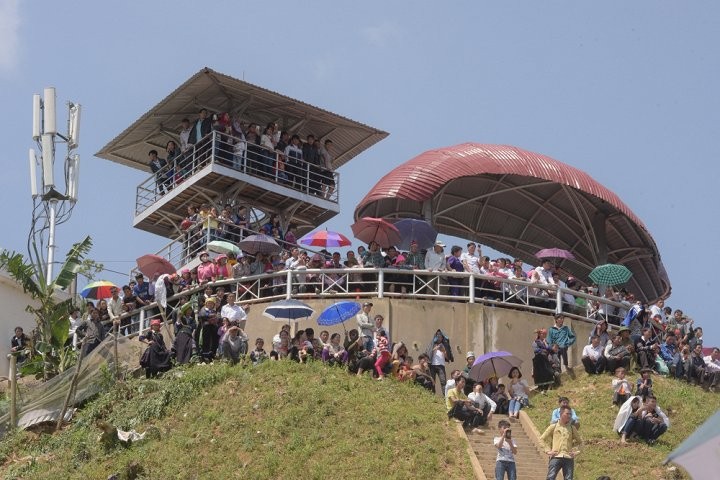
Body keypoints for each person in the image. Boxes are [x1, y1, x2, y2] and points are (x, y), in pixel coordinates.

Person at [540, 405, 582, 480]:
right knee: (550, 477)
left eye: (570, 414)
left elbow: (580, 442)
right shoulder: (554, 426)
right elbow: (542, 439)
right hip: (556, 456)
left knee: (568, 478)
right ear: (561, 414)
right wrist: (548, 451)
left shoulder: (572, 428)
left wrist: (576, 452)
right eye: (567, 414)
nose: (569, 416)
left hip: (568, 457)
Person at [428, 329, 452, 394]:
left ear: (442, 337)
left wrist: (443, 351)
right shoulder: (432, 344)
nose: (439, 338)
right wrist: (434, 349)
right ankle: (432, 396)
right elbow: (428, 354)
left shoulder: (444, 345)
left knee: (443, 381)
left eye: (441, 337)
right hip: (432, 365)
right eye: (438, 336)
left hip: (441, 366)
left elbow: (447, 358)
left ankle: (445, 397)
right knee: (432, 381)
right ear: (436, 337)